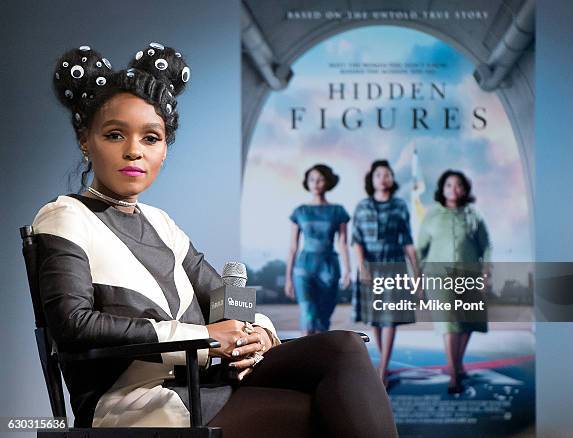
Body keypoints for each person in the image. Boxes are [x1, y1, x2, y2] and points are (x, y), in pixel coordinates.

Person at [32, 44, 398, 437]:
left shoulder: (161, 223)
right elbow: (74, 324)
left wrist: (259, 333)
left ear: (165, 150)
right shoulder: (64, 216)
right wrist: (204, 338)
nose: (134, 150)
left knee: (343, 347)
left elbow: (225, 297)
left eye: (151, 138)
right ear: (86, 141)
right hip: (139, 401)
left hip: (207, 380)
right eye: (115, 134)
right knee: (322, 410)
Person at [416, 170, 491, 394]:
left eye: (458, 185)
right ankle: (454, 374)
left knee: (467, 322)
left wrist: (486, 271)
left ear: (465, 189)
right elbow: (420, 249)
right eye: (449, 185)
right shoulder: (432, 215)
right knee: (449, 323)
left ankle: (457, 363)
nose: (453, 189)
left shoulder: (474, 215)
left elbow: (486, 246)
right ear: (442, 189)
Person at [351, 160, 420, 385]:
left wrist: (417, 274)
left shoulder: (400, 206)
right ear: (372, 179)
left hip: (394, 266)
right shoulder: (362, 206)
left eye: (387, 174)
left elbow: (408, 241)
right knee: (376, 320)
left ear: (392, 179)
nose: (383, 177)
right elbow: (357, 240)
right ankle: (384, 363)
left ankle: (383, 368)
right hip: (371, 267)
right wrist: (363, 267)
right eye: (378, 174)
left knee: (390, 319)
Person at [284, 164, 350, 335]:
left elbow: (343, 243)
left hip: (329, 267)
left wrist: (348, 270)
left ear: (327, 182)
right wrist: (288, 278)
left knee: (323, 318)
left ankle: (318, 358)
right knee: (307, 313)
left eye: (320, 179)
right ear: (307, 182)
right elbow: (293, 247)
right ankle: (304, 359)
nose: (315, 183)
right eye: (312, 179)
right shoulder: (300, 211)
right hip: (304, 268)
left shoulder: (338, 211)